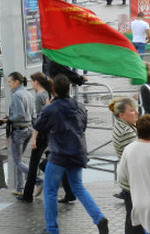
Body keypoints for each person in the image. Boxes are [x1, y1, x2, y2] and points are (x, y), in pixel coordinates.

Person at [34, 74, 109, 234]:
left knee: (50, 191)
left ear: (53, 89)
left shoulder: (50, 109)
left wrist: (47, 107)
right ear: (69, 88)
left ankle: (52, 229)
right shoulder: (80, 106)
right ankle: (99, 218)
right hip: (77, 152)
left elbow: (39, 125)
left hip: (58, 154)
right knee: (78, 187)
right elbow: (82, 127)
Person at [109, 98, 143, 234]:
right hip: (133, 182)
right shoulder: (126, 132)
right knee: (135, 220)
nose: (136, 112)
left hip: (129, 180)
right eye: (132, 110)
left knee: (133, 218)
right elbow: (138, 157)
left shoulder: (124, 125)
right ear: (121, 114)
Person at [19, 72, 53, 203]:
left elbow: (40, 118)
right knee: (47, 157)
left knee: (33, 164)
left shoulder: (39, 96)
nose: (31, 84)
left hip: (40, 133)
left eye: (32, 82)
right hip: (48, 133)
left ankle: (27, 195)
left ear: (36, 83)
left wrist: (34, 136)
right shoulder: (48, 93)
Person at [3, 72, 34, 196]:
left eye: (10, 82)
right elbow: (33, 114)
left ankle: (37, 181)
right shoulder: (28, 93)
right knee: (19, 160)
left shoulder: (17, 95)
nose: (8, 84)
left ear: (17, 82)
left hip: (19, 130)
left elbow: (20, 114)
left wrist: (9, 119)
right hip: (28, 129)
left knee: (17, 161)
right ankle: (20, 188)